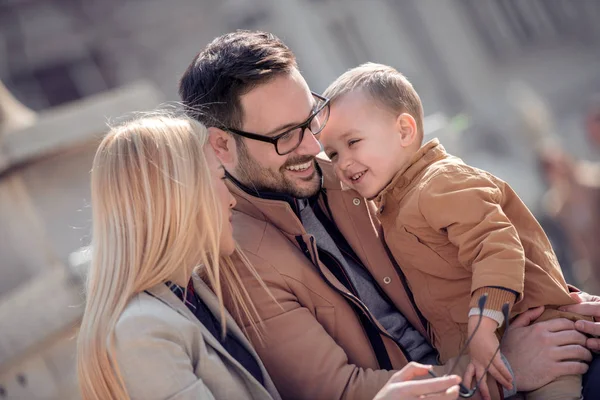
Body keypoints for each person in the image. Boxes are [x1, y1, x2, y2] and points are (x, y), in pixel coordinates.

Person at [179, 30, 598, 400]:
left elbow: (475, 234)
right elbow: (338, 391)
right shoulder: (234, 256)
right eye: (285, 136)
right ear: (221, 145)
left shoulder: (353, 171)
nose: (313, 146)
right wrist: (500, 368)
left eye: (311, 119)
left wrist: (557, 305)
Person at [75, 114, 462, 400]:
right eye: (217, 181)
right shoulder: (142, 331)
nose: (230, 199)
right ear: (179, 199)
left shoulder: (192, 299)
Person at [319, 62, 593, 400]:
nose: (343, 162)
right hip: (496, 353)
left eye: (354, 142)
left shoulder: (439, 182)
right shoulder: (394, 205)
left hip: (540, 336)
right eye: (332, 153)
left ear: (404, 131)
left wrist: (482, 328)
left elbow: (497, 248)